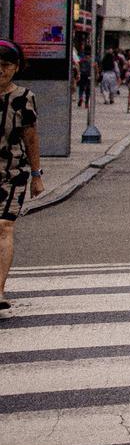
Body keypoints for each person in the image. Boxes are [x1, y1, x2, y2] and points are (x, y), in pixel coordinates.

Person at [0, 39, 43, 312]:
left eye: (5, 66)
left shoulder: (23, 98)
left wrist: (37, 174)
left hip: (12, 173)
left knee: (4, 227)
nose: (0, 72)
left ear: (15, 68)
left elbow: (30, 137)